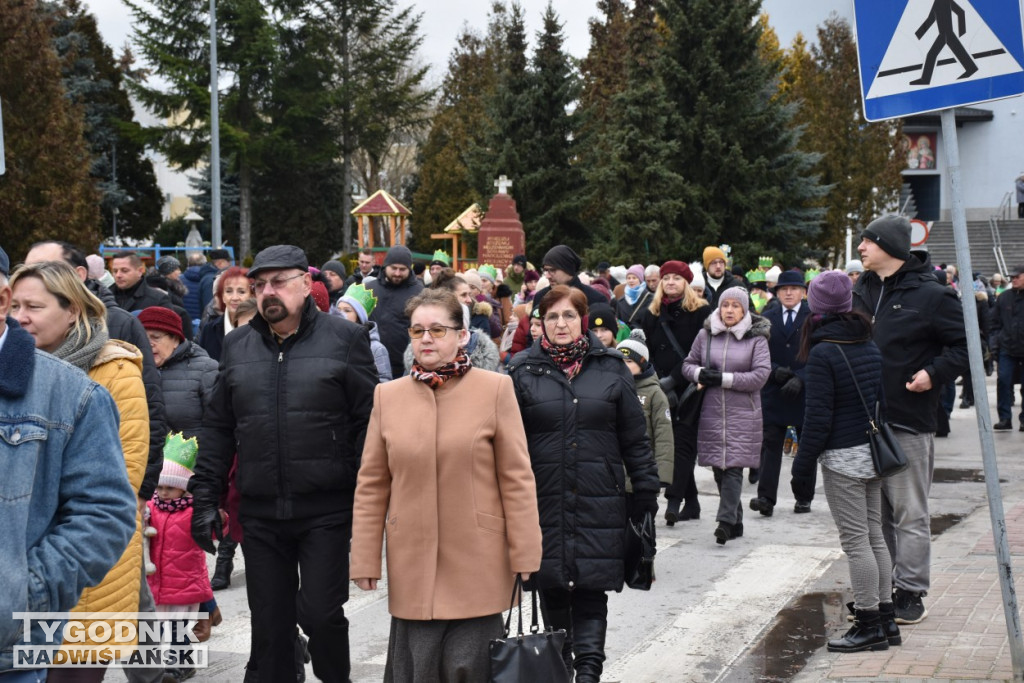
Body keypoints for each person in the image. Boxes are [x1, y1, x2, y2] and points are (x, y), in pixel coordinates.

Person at [189, 244, 378, 681]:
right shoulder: (237, 345)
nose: (268, 292)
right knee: (270, 627)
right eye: (260, 285)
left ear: (304, 286)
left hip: (326, 509)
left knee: (320, 614)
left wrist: (362, 492)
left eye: (278, 282)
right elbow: (218, 427)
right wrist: (205, 497)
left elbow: (369, 422)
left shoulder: (345, 339)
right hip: (260, 512)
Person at [351, 288, 542, 681]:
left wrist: (526, 553)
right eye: (417, 330)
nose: (426, 338)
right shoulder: (388, 396)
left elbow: (517, 478)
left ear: (462, 335)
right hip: (413, 563)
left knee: (471, 667)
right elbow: (372, 485)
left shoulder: (495, 389)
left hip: (478, 560)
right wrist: (365, 557)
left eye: (437, 329)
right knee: (416, 669)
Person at [508, 285, 660, 683]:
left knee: (591, 589)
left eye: (569, 316)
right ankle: (562, 665)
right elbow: (508, 443)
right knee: (553, 587)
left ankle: (589, 672)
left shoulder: (610, 366)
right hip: (545, 497)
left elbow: (634, 436)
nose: (561, 324)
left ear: (582, 321)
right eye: (552, 316)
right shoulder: (522, 370)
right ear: (540, 322)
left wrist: (645, 492)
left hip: (599, 496)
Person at [0, 247, 136, 679]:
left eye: (34, 306)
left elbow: (109, 505)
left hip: (16, 642)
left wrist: (26, 593)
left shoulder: (84, 387)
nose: (25, 315)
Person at [853, 215, 968, 625]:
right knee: (873, 515)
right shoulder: (861, 289)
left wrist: (933, 374)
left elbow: (967, 346)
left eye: (867, 241)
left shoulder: (933, 294)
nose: (861, 248)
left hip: (907, 419)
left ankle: (911, 591)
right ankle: (883, 588)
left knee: (909, 512)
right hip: (862, 421)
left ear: (889, 247)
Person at [791, 271, 898, 653]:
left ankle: (868, 622)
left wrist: (801, 469)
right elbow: (879, 400)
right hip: (872, 455)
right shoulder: (866, 341)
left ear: (815, 305)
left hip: (843, 459)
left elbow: (817, 419)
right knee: (874, 536)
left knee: (857, 543)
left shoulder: (823, 351)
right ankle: (886, 619)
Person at [682, 286, 771, 545]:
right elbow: (687, 365)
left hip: (744, 412)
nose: (729, 310)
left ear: (745, 310)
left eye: (735, 306)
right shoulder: (705, 335)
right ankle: (737, 520)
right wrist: (700, 374)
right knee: (718, 468)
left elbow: (760, 376)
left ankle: (725, 521)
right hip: (710, 410)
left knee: (732, 466)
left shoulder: (757, 339)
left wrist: (724, 379)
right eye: (725, 305)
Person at [641, 260, 712, 524]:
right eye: (666, 278)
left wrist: (673, 380)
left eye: (677, 278)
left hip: (692, 386)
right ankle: (691, 503)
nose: (671, 282)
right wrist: (659, 382)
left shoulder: (701, 311)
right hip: (660, 386)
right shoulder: (652, 313)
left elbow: (702, 351)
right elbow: (645, 349)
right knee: (670, 442)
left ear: (687, 283)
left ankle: (673, 500)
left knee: (683, 443)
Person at [147, 435, 216, 682]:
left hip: (185, 580)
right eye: (160, 487)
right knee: (160, 625)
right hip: (157, 580)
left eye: (170, 488)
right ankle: (160, 663)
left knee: (178, 626)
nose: (164, 493)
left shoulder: (194, 510)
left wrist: (218, 519)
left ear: (184, 488)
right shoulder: (150, 508)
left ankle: (182, 663)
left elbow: (215, 531)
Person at [751, 270, 812, 517]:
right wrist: (774, 371)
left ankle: (803, 496)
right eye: (784, 289)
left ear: (803, 292)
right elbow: (758, 352)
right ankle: (765, 497)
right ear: (776, 292)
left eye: (794, 288)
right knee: (770, 444)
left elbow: (820, 354)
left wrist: (801, 377)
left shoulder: (813, 317)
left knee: (805, 446)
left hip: (803, 392)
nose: (788, 293)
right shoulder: (767, 317)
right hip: (774, 390)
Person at [618, 330, 675, 489]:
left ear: (642, 363)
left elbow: (663, 435)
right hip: (614, 476)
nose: (623, 366)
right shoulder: (613, 389)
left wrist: (661, 474)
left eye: (629, 361)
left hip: (643, 473)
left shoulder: (654, 394)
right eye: (620, 361)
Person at [367, 245, 425, 380]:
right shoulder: (370, 289)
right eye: (393, 268)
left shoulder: (419, 292)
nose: (397, 273)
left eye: (402, 269)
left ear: (409, 269)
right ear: (385, 266)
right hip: (372, 363)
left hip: (404, 366)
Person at [334, 284, 393, 382]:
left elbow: (384, 383)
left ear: (359, 317)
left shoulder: (376, 349)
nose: (341, 314)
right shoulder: (332, 341)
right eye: (338, 309)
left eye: (347, 310)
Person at [990, 264, 1024, 430]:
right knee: (1003, 382)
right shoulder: (1004, 298)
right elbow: (994, 322)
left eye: (1017, 276)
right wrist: (995, 343)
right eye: (1012, 277)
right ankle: (1005, 418)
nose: (1014, 279)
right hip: (1007, 348)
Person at [197, 266, 253, 362]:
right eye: (229, 291)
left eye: (241, 292)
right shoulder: (209, 330)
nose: (234, 297)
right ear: (222, 296)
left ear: (252, 296)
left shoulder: (265, 329)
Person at [532, 245, 607, 311]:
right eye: (546, 270)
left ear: (568, 269)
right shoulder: (540, 298)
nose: (547, 276)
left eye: (552, 270)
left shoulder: (596, 299)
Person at [110, 251, 174, 313]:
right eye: (115, 271)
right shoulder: (104, 297)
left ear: (140, 271)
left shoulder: (158, 300)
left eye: (124, 270)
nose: (118, 275)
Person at [616, 264, 654, 329]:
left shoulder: (651, 298)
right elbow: (619, 322)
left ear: (640, 279)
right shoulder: (621, 301)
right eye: (628, 278)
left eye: (634, 278)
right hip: (627, 337)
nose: (631, 280)